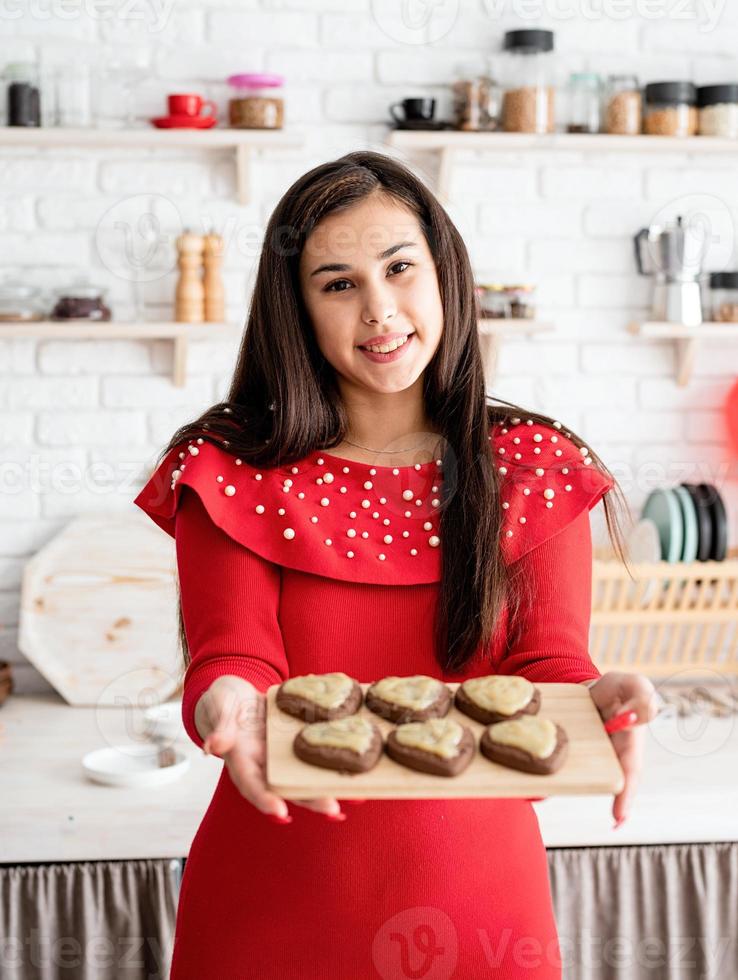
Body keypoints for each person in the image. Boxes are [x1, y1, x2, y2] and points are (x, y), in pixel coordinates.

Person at [135, 150, 658, 979]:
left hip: (482, 913)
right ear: (297, 309)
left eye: (400, 268)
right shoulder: (231, 464)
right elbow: (232, 657)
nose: (380, 310)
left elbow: (547, 669)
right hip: (272, 899)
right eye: (338, 284)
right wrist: (224, 704)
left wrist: (598, 701)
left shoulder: (533, 464)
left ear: (443, 273)